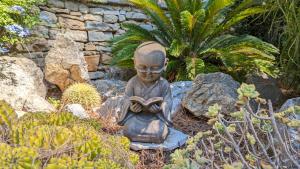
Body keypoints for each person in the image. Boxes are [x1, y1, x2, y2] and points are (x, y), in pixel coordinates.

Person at [118, 41, 173, 144]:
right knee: (128, 129)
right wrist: (130, 107)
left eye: (155, 68)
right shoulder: (133, 82)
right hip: (137, 118)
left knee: (160, 131)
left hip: (155, 119)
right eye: (142, 68)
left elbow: (168, 101)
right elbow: (125, 99)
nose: (148, 73)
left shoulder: (164, 84)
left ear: (165, 64)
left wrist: (161, 108)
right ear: (134, 63)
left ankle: (154, 136)